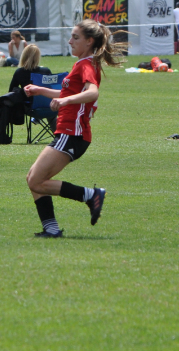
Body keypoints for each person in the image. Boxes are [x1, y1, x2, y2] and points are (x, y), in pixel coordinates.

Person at [24, 19, 126, 238]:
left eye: (76, 37)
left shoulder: (87, 65)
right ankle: (51, 229)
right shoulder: (81, 63)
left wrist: (64, 103)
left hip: (73, 133)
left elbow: (92, 92)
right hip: (69, 133)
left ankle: (90, 195)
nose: (70, 41)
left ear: (89, 42)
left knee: (35, 180)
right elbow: (69, 95)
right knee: (34, 178)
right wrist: (42, 90)